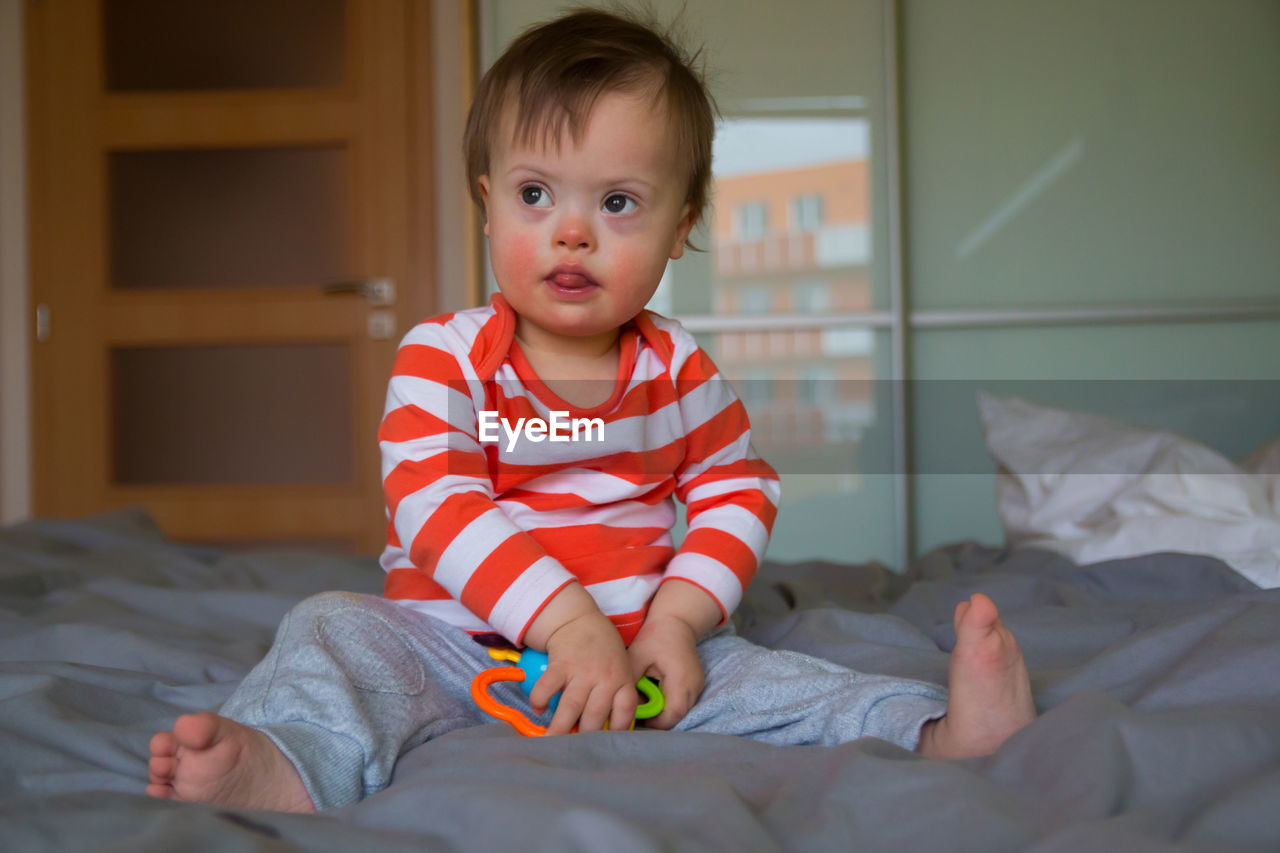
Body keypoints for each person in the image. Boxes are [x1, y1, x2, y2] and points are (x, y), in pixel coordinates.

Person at [146, 7, 1035, 814]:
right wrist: (565, 623)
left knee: (775, 679)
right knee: (331, 628)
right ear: (488, 204)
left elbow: (737, 488)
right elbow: (435, 503)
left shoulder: (676, 367)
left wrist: (676, 624)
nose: (573, 232)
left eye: (617, 203)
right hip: (450, 649)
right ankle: (285, 764)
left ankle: (940, 733)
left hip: (639, 654)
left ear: (679, 227)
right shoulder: (446, 355)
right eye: (537, 195)